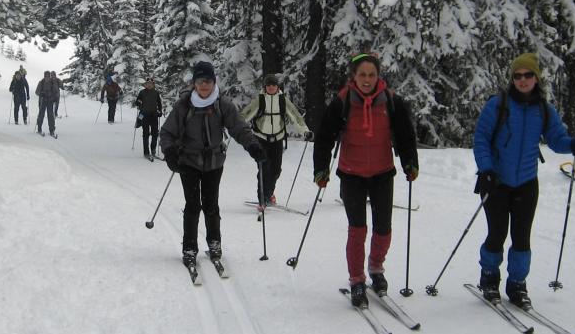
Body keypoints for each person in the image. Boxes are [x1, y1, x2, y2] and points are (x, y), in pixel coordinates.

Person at [473, 52, 575, 307]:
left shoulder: (543, 110)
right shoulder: (498, 105)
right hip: (496, 182)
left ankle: (517, 284)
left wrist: (572, 145)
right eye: (517, 75)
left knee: (522, 237)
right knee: (497, 233)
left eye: (527, 75)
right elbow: (481, 139)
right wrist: (487, 169)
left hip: (526, 182)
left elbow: (556, 140)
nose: (522, 80)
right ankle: (489, 278)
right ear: (512, 79)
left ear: (536, 78)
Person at [312, 51, 419, 309]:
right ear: (354, 76)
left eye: (371, 74)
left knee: (384, 229)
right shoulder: (342, 101)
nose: (367, 79)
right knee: (357, 229)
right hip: (351, 175)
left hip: (383, 172)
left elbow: (405, 135)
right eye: (362, 74)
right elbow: (325, 137)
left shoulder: (392, 102)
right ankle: (357, 279)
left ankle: (375, 268)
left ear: (378, 76)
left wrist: (410, 162)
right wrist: (321, 169)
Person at [159, 61, 266, 269]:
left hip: (214, 162)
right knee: (192, 205)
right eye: (200, 81)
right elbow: (167, 132)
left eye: (208, 81)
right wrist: (170, 151)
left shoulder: (222, 104)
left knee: (211, 204)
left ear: (214, 81)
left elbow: (239, 128)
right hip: (188, 161)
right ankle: (189, 248)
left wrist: (253, 145)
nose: (204, 86)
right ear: (194, 83)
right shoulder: (184, 105)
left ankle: (214, 243)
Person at [240, 73, 310, 209]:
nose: (271, 87)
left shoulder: (283, 100)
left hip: (277, 139)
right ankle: (262, 199)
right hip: (261, 139)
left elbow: (295, 116)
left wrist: (305, 131)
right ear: (265, 87)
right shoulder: (259, 100)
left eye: (274, 85)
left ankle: (269, 195)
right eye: (268, 85)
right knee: (264, 168)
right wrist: (235, 126)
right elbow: (245, 115)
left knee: (276, 170)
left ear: (278, 87)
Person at [135, 77, 164, 161]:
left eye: (151, 84)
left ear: (153, 85)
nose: (149, 85)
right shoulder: (142, 92)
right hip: (144, 115)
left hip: (154, 115)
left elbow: (159, 103)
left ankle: (153, 150)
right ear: (145, 85)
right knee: (146, 134)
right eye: (147, 84)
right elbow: (137, 101)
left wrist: (159, 111)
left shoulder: (156, 93)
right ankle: (146, 152)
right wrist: (138, 103)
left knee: (155, 133)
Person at [35, 70, 57, 137]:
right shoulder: (41, 82)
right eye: (46, 76)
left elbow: (55, 91)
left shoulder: (52, 83)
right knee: (41, 115)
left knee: (50, 116)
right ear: (44, 76)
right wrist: (41, 94)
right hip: (43, 101)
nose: (47, 77)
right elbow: (37, 92)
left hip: (50, 101)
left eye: (48, 76)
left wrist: (54, 97)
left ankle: (52, 130)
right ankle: (39, 129)